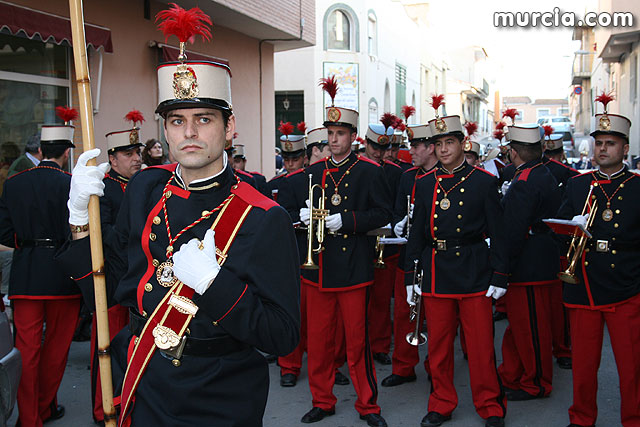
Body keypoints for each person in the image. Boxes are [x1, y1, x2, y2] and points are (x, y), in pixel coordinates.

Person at [57, 5, 300, 425]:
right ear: (165, 130)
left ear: (229, 128)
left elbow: (281, 336)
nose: (189, 133)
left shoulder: (263, 216)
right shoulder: (146, 189)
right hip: (146, 378)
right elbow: (109, 283)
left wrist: (214, 284)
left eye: (203, 119)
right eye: (176, 120)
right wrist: (80, 218)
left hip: (222, 393)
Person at [295, 76, 391, 426]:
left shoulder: (369, 171)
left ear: (353, 137)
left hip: (353, 267)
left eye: (340, 134)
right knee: (319, 342)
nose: (333, 140)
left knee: (357, 342)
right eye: (329, 134)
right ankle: (322, 400)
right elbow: (289, 211)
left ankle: (368, 405)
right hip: (319, 267)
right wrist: (304, 217)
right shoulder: (314, 172)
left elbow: (383, 214)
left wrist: (346, 220)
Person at [404, 107, 508, 427]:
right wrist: (410, 276)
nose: (444, 149)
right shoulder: (424, 183)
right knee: (438, 346)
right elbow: (417, 232)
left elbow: (499, 232)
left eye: (450, 141)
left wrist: (500, 275)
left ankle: (489, 404)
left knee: (479, 347)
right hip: (437, 270)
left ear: (462, 143)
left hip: (474, 268)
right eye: (439, 144)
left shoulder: (483, 182)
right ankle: (442, 402)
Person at [557, 96, 640, 427]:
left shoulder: (636, 187)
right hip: (585, 285)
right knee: (584, 362)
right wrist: (570, 227)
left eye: (611, 144)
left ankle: (633, 419)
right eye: (599, 143)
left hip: (626, 283)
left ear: (624, 148)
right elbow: (558, 227)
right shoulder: (578, 184)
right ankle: (581, 418)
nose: (603, 149)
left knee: (631, 364)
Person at [0, 110, 81, 426]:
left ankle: (30, 417)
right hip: (62, 276)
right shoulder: (70, 183)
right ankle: (45, 408)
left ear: (41, 150)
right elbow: (77, 230)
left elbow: (4, 231)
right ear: (65, 151)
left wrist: (25, 243)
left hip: (27, 274)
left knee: (27, 352)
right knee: (56, 350)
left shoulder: (15, 182)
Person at [276, 126, 350, 388]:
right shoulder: (295, 180)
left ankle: (331, 365)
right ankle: (290, 364)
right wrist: (300, 219)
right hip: (299, 259)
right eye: (326, 147)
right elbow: (281, 217)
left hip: (332, 259)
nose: (333, 150)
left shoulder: (343, 178)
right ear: (314, 152)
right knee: (296, 315)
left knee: (331, 324)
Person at [498, 125, 561, 401]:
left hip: (528, 265)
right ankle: (512, 374)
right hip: (537, 259)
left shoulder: (524, 180)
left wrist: (501, 265)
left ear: (513, 152)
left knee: (531, 329)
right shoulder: (540, 173)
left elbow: (513, 230)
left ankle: (536, 383)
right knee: (520, 328)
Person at [89, 116, 143, 424]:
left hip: (136, 283)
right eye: (128, 154)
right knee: (106, 350)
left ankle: (127, 401)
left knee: (132, 348)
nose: (136, 158)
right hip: (111, 284)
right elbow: (107, 237)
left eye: (137, 152)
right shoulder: (104, 189)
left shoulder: (139, 185)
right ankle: (103, 408)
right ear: (112, 158)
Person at [383, 123, 438, 388]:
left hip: (436, 255)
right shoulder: (407, 176)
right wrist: (399, 222)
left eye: (415, 146)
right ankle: (404, 366)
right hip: (408, 254)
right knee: (406, 313)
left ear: (431, 148)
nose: (410, 151)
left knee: (437, 318)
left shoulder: (444, 175)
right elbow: (396, 211)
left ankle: (436, 368)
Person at [361, 122, 402, 365]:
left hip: (387, 243)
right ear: (366, 144)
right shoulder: (357, 169)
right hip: (359, 242)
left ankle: (379, 345)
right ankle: (358, 345)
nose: (378, 152)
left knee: (381, 300)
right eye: (374, 147)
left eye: (382, 148)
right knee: (357, 302)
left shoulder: (395, 173)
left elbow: (396, 207)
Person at [541, 129, 579, 371]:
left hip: (551, 243)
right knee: (559, 305)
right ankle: (563, 349)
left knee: (552, 305)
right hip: (558, 244)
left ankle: (558, 348)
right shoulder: (572, 176)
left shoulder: (571, 177)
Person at [268, 123, 306, 201]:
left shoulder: (310, 180)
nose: (290, 164)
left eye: (295, 160)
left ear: (304, 159)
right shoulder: (274, 183)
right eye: (286, 160)